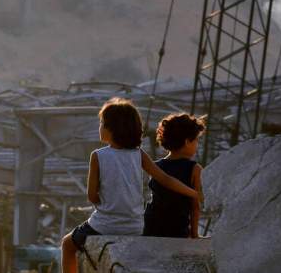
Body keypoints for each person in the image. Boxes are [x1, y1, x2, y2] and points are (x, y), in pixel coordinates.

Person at [60, 98, 200, 273]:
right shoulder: (138, 154)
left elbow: (92, 196)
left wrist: (104, 203)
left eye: (102, 123)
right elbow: (165, 179)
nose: (100, 127)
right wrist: (192, 193)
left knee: (67, 244)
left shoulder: (98, 156)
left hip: (104, 225)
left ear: (113, 129)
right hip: (135, 226)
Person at [143, 113, 205, 239]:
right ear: (187, 142)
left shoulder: (156, 166)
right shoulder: (195, 169)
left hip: (151, 228)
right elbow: (195, 206)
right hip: (177, 230)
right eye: (196, 140)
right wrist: (194, 234)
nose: (197, 145)